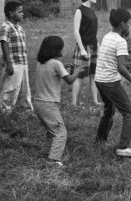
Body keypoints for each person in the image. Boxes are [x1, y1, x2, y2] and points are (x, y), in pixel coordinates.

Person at [95, 9, 131, 157]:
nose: (129, 26)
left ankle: (100, 140)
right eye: (128, 23)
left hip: (99, 80)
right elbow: (121, 67)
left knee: (109, 110)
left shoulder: (107, 36)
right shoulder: (120, 41)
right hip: (110, 82)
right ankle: (123, 147)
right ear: (123, 24)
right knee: (129, 113)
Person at [32, 36, 85, 166]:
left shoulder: (41, 63)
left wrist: (64, 69)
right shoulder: (56, 64)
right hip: (48, 104)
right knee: (60, 132)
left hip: (38, 103)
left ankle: (45, 153)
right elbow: (70, 80)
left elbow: (52, 75)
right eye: (61, 47)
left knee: (51, 131)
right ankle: (53, 160)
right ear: (55, 50)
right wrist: (77, 71)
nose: (63, 49)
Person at [0, 1, 32, 115]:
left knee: (25, 90)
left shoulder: (19, 27)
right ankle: (5, 114)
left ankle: (26, 113)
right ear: (11, 13)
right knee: (11, 89)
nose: (23, 13)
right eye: (20, 11)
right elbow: (4, 43)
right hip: (13, 64)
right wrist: (8, 64)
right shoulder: (6, 26)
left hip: (22, 63)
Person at [72, 0, 100, 106]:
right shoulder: (79, 11)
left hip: (94, 46)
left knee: (94, 75)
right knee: (79, 76)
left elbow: (94, 31)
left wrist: (98, 45)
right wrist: (82, 49)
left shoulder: (92, 11)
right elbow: (76, 32)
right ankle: (73, 103)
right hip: (83, 47)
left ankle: (95, 100)